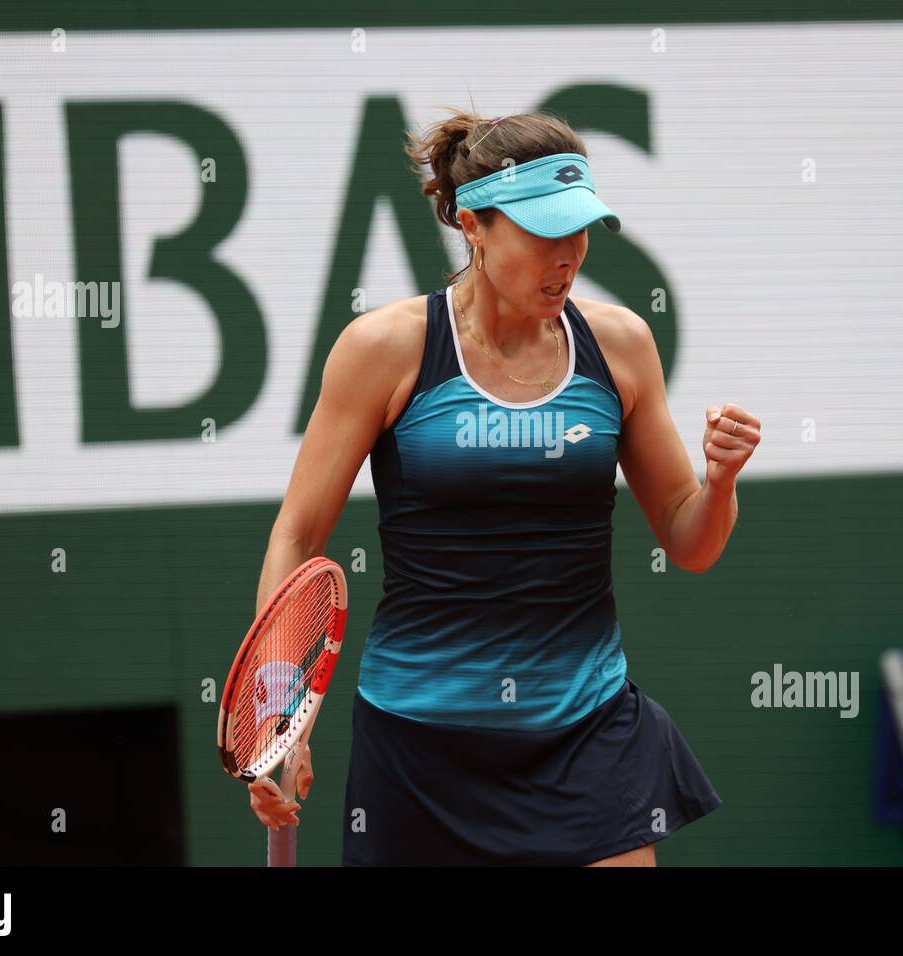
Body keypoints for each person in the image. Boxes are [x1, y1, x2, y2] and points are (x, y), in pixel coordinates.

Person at [247, 109, 761, 866]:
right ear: (472, 225)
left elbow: (690, 543)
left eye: (579, 232)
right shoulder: (385, 350)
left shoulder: (619, 347)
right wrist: (280, 718)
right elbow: (297, 535)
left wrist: (719, 482)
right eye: (543, 234)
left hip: (585, 731)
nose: (569, 257)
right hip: (420, 747)